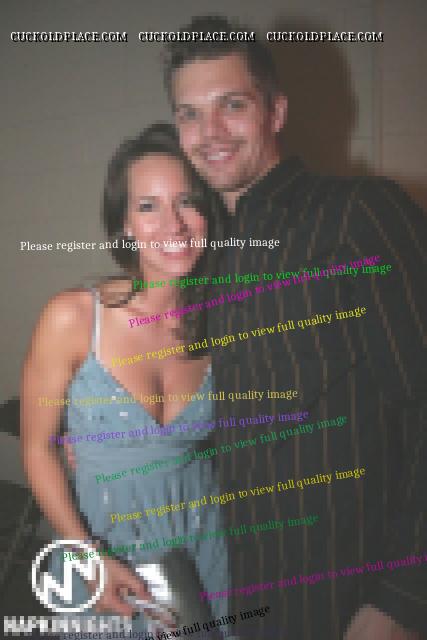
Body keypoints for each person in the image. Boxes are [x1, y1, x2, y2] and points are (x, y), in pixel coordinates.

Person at [163, 15, 427, 640]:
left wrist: (401, 599)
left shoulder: (361, 215)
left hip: (354, 599)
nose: (210, 133)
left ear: (275, 112)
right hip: (251, 591)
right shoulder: (211, 258)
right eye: (190, 115)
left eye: (232, 105)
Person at [20, 124, 232, 636]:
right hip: (99, 546)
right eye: (148, 206)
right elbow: (36, 448)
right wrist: (88, 555)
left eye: (187, 201)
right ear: (124, 225)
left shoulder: (226, 320)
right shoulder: (73, 317)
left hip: (205, 543)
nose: (173, 223)